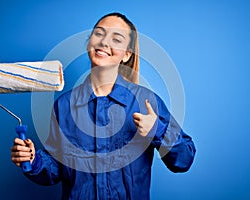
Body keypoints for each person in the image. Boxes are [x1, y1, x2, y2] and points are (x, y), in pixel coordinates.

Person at [11, 12, 196, 199]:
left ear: (126, 55)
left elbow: (184, 159)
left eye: (116, 39)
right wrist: (33, 159)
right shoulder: (64, 106)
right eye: (99, 34)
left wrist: (158, 130)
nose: (104, 42)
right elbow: (56, 169)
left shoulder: (145, 102)